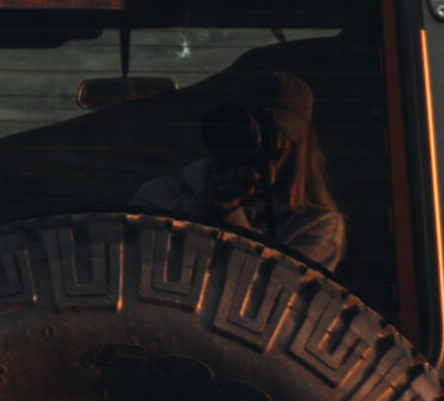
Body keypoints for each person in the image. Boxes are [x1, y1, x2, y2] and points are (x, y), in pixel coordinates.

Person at [132, 69, 345, 271]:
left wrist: (230, 213)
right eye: (240, 133)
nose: (251, 145)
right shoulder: (161, 195)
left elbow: (277, 295)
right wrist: (205, 201)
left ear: (298, 147)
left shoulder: (316, 226)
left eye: (270, 137)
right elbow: (136, 261)